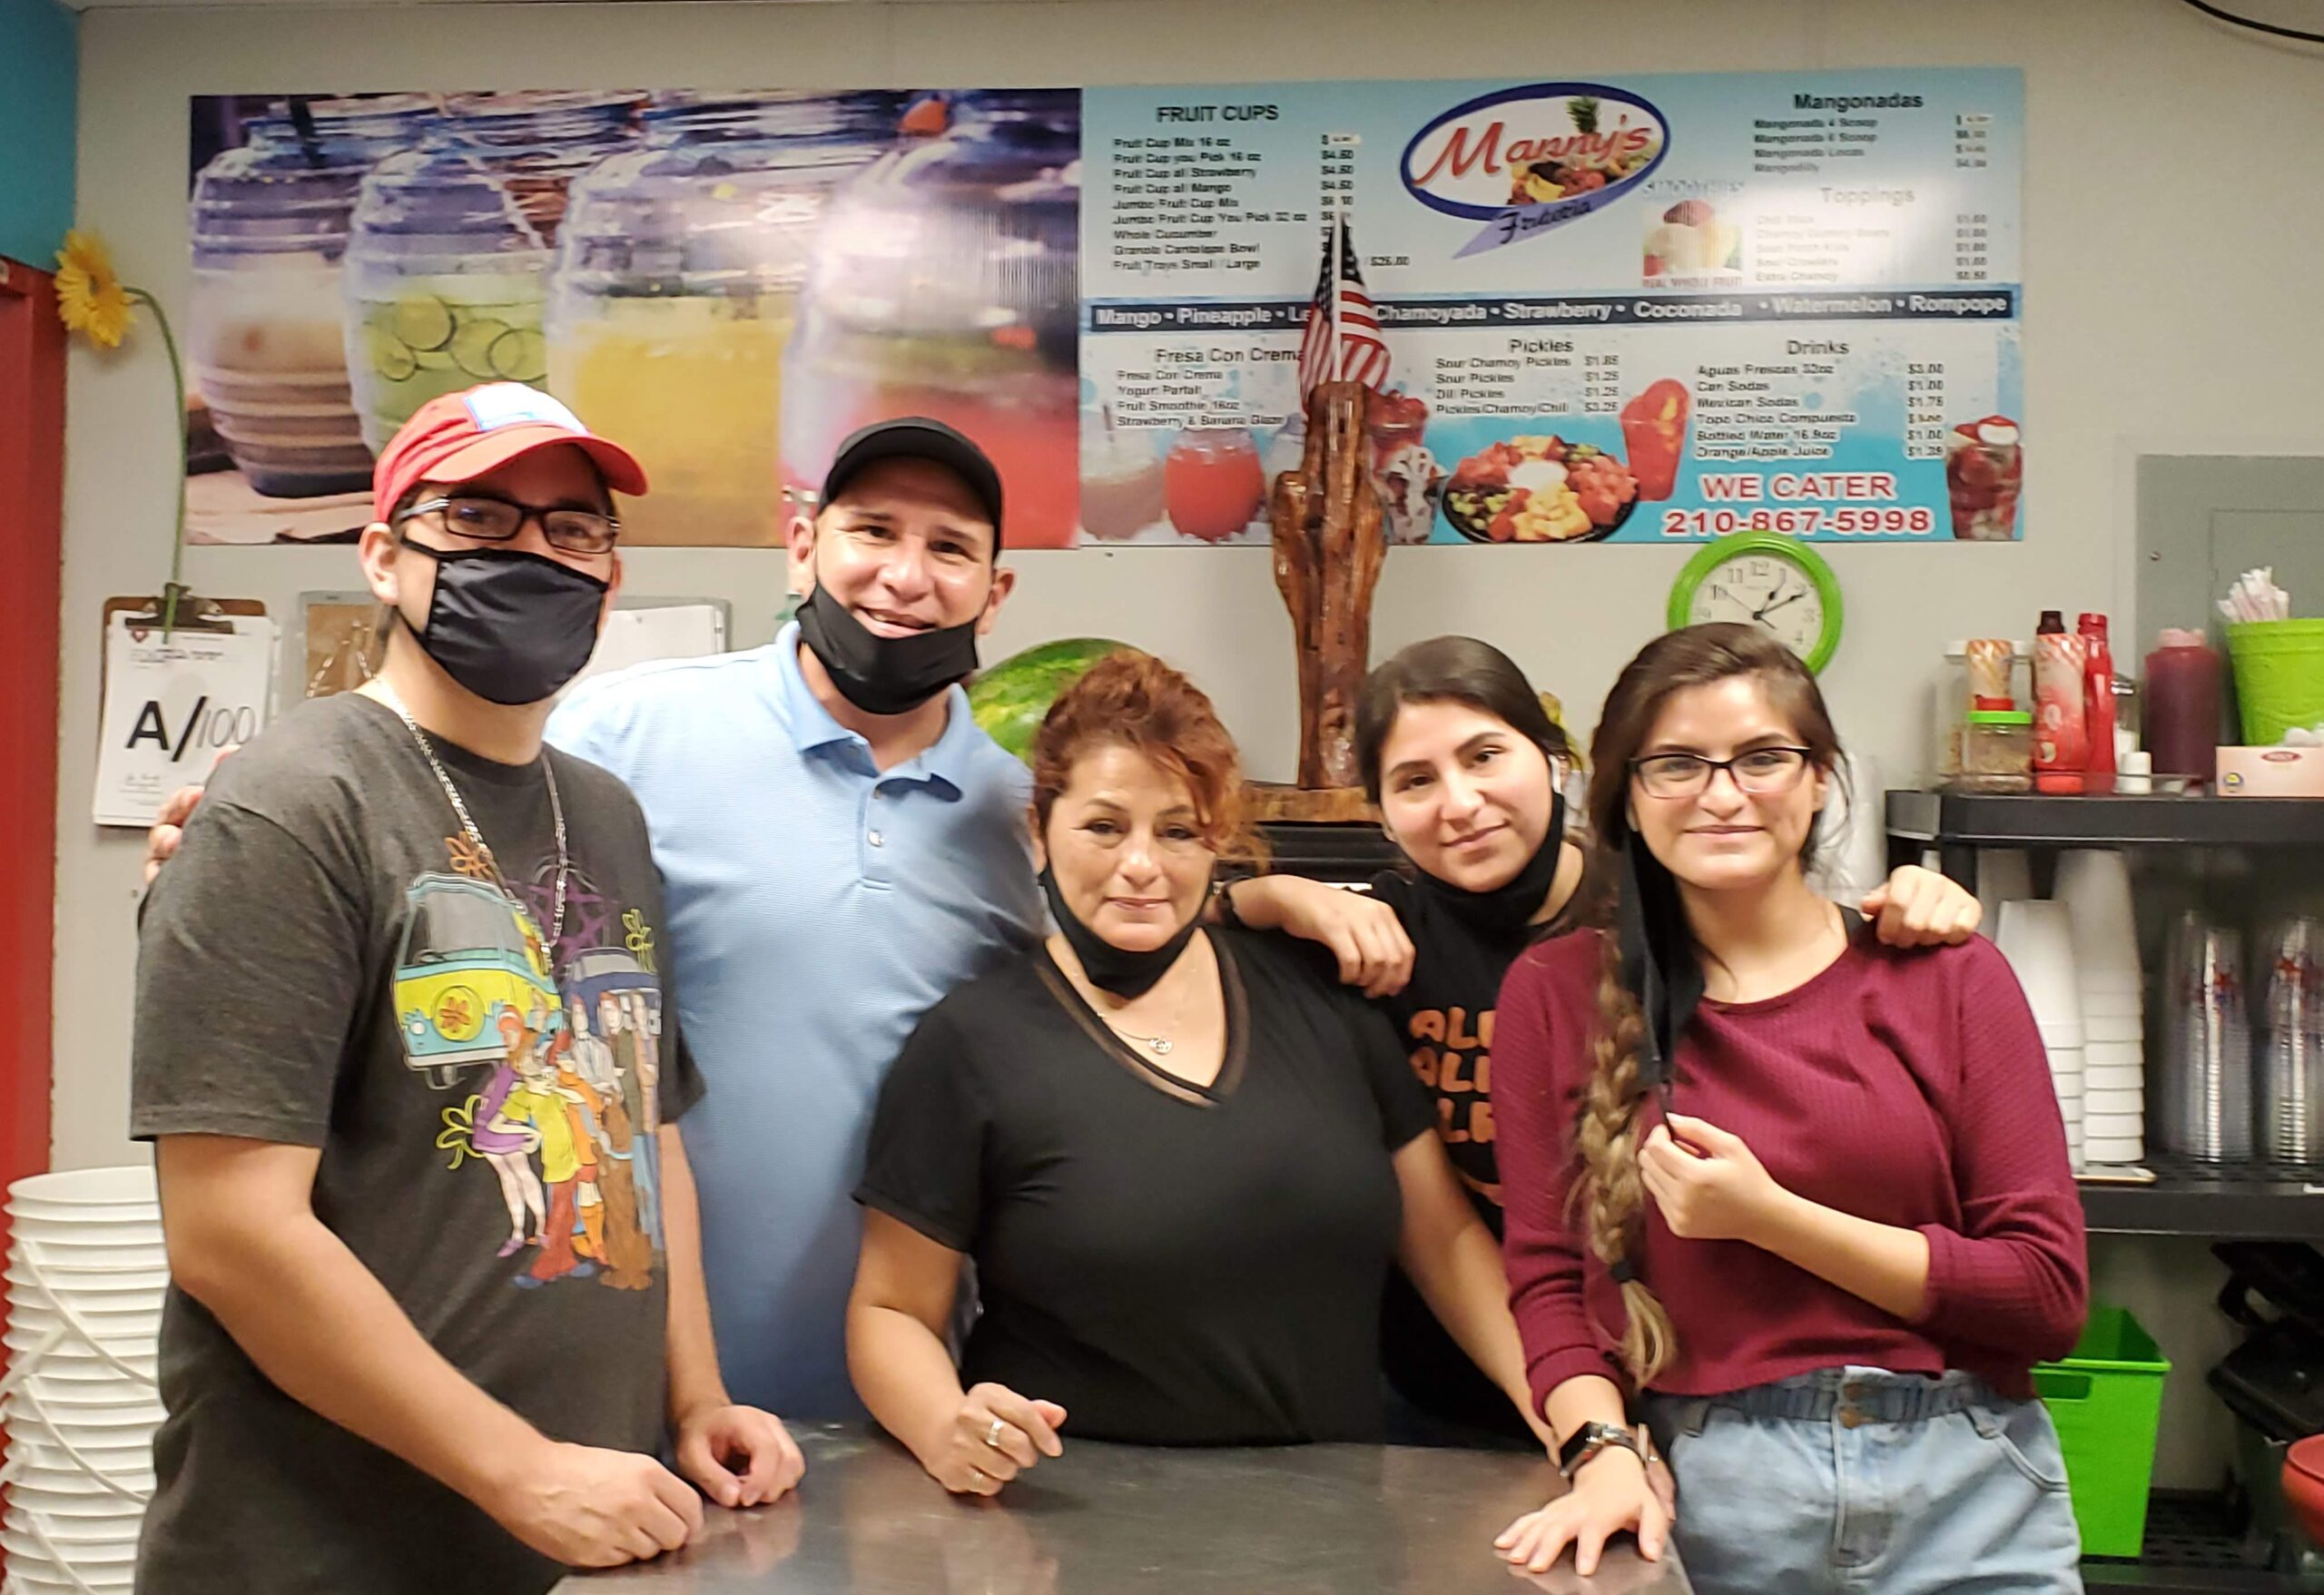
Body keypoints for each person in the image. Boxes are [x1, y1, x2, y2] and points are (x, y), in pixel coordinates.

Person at [132, 384, 801, 1595]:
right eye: (481, 520)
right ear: (384, 556)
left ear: (608, 577)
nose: (532, 555)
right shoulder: (292, 804)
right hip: (324, 1557)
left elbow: (644, 1130)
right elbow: (231, 1232)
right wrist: (520, 1472)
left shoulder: (606, 814)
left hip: (579, 1546)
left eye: (571, 529)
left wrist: (694, 1398)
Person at [1218, 635, 1982, 1445]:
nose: (1460, 803)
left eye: (1485, 756)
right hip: (1452, 1387)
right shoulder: (1372, 943)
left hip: (1682, 1393)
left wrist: (1919, 895)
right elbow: (1155, 911)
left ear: (1557, 760)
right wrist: (1271, 897)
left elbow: (1787, 936)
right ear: (1377, 809)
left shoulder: (1659, 905)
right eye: (1415, 781)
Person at [846, 652, 1554, 1490]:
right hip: (1067, 1515)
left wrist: (1578, 1427)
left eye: (1178, 831)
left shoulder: (1321, 996)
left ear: (1217, 838)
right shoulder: (971, 1046)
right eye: (1104, 827)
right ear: (1040, 830)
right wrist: (944, 1426)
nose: (1141, 865)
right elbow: (890, 1310)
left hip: (1339, 1520)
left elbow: (1445, 1241)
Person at [1490, 623, 2086, 1591]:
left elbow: (2046, 1298)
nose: (1723, 795)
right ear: (1628, 798)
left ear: (1818, 780)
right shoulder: (1553, 993)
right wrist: (1600, 1452)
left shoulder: (1948, 975)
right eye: (1676, 764)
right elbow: (1548, 1282)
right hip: (1708, 1499)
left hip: (1966, 1489)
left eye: (1762, 758)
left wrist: (1768, 1218)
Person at [543, 417, 1039, 1419]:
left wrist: (1271, 899)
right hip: (629, 1393)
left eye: (949, 548)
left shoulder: (1023, 813)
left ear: (995, 593)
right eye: (873, 531)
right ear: (803, 543)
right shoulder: (622, 736)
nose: (905, 576)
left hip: (902, 1402)